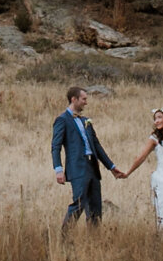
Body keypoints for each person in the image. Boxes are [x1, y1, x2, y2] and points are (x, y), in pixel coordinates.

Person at [51, 86, 124, 228]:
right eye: (84, 99)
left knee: (96, 206)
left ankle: (93, 240)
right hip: (78, 166)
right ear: (74, 99)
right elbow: (55, 146)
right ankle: (65, 237)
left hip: (93, 166)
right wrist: (58, 169)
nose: (86, 102)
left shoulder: (85, 120)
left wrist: (112, 167)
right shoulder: (62, 119)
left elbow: (97, 146)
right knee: (79, 202)